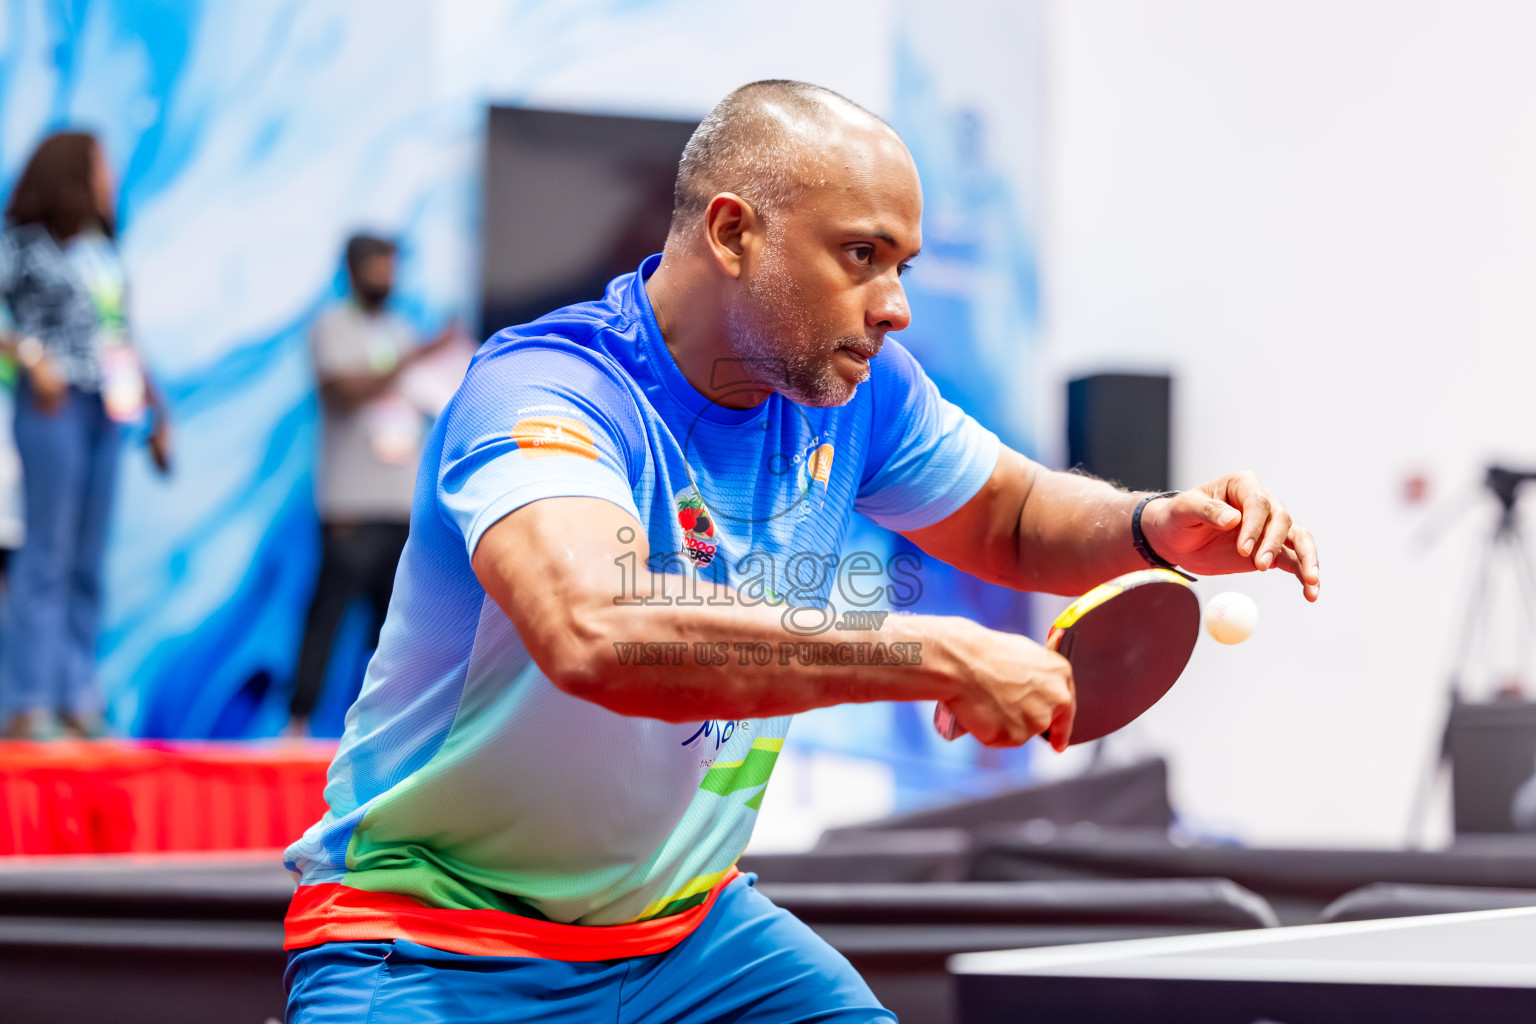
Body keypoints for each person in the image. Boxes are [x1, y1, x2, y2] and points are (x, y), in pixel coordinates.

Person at [282, 81, 1321, 1022]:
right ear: (733, 232)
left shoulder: (858, 390)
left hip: (689, 941)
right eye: (862, 255)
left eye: (902, 266)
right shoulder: (547, 392)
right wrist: (934, 655)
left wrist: (1152, 526)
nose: (895, 305)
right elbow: (597, 632)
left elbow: (1009, 514)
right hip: (431, 942)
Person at [0, 131, 171, 740]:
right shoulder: (22, 244)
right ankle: (27, 704)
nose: (111, 179)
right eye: (101, 167)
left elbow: (119, 332)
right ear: (71, 172)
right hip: (52, 404)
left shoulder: (104, 251)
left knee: (88, 560)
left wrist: (157, 411)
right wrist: (28, 355)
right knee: (46, 554)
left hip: (109, 405)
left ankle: (77, 697)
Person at [286, 235, 456, 737]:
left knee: (394, 632)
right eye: (378, 266)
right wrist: (414, 356)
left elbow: (422, 399)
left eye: (391, 266)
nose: (387, 275)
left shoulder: (399, 330)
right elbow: (342, 390)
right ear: (354, 269)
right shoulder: (333, 326)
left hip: (400, 508)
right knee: (327, 620)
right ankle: (296, 727)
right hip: (350, 509)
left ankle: (387, 733)